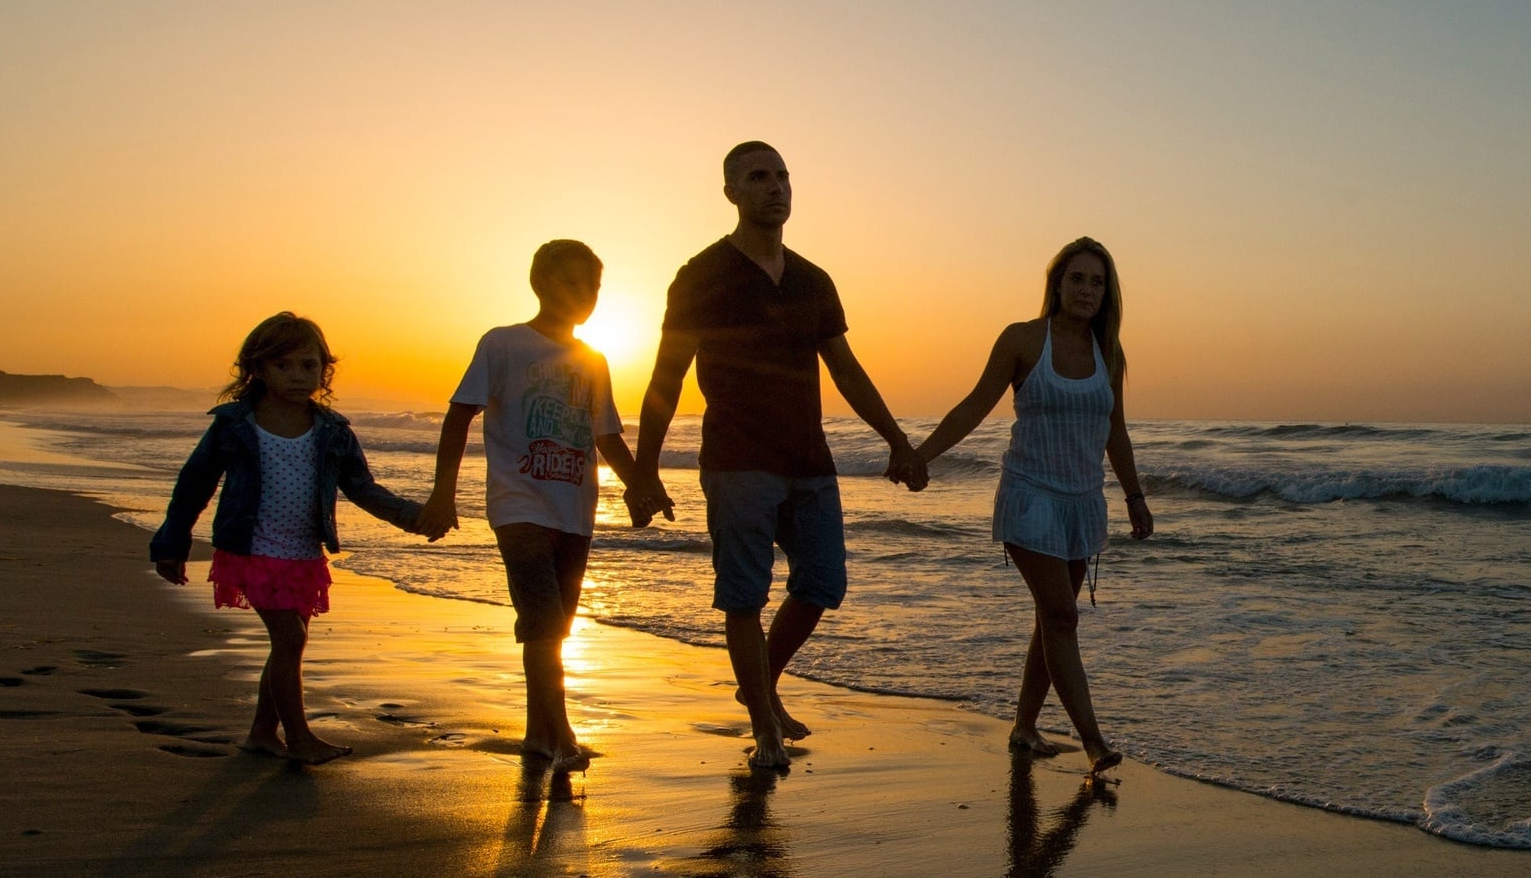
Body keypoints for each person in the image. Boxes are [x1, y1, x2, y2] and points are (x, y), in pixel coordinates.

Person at [629, 140, 918, 769]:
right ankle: (764, 730)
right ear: (731, 191)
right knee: (743, 597)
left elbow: (845, 368)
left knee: (821, 583)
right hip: (737, 461)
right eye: (759, 177)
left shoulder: (814, 280)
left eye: (783, 176)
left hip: (809, 460)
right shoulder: (701, 275)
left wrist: (897, 441)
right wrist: (644, 469)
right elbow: (666, 376)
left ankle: (760, 684)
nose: (775, 187)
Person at [903, 237, 1154, 775]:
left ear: (1107, 293)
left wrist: (1135, 496)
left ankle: (1023, 728)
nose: (1087, 290)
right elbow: (974, 405)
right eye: (1077, 279)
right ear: (1057, 283)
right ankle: (1093, 741)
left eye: (1098, 282)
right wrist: (918, 455)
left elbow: (1116, 430)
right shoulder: (1022, 340)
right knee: (1062, 615)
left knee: (1052, 621)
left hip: (1081, 502)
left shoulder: (1109, 351)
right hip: (1029, 498)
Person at [149, 312, 443, 765]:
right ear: (258, 369)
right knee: (289, 639)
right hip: (250, 549)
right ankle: (300, 736)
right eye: (284, 365)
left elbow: (362, 488)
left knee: (291, 641)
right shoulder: (235, 425)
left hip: (303, 554)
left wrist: (416, 518)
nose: (298, 376)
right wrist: (172, 544)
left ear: (324, 370)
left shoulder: (332, 430)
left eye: (308, 365)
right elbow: (195, 482)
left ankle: (262, 732)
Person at [421, 239, 647, 773]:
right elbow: (459, 415)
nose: (585, 295)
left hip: (575, 508)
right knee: (543, 620)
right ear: (541, 285)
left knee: (555, 627)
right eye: (572, 283)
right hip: (518, 504)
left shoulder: (594, 360)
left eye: (593, 286)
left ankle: (536, 734)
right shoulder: (503, 344)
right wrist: (442, 492)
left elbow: (606, 435)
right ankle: (563, 733)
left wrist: (640, 485)